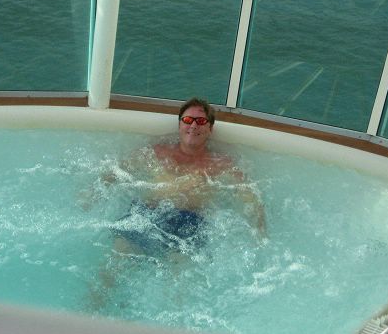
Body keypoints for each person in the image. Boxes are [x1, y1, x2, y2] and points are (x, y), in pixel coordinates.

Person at [84, 97, 266, 258]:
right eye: (187, 120)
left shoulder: (221, 164)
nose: (193, 126)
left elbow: (249, 195)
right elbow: (118, 171)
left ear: (210, 128)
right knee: (114, 264)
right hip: (145, 215)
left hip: (188, 224)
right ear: (180, 125)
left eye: (201, 121)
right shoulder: (157, 152)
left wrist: (259, 229)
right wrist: (92, 193)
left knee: (179, 276)